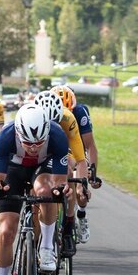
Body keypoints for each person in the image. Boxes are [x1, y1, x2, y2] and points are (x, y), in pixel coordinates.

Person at [0, 104, 69, 275]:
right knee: (6, 231)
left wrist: (61, 189)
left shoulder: (57, 135)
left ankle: (47, 248)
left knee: (46, 192)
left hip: (42, 168)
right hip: (13, 170)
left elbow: (60, 180)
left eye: (39, 143)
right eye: (28, 143)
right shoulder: (6, 135)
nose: (33, 148)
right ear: (18, 133)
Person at [34, 89, 86, 256]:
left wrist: (81, 187)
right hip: (38, 147)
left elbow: (80, 159)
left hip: (63, 149)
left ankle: (68, 226)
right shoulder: (31, 116)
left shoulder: (68, 118)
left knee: (68, 170)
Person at [54, 84, 98, 243]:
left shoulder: (79, 112)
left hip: (74, 147)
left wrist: (92, 175)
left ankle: (81, 214)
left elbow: (90, 146)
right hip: (55, 146)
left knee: (80, 188)